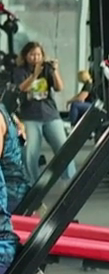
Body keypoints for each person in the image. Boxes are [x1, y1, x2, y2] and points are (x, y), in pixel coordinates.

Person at [11, 42, 72, 183]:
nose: (35, 58)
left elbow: (59, 87)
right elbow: (22, 88)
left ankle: (69, 179)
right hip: (30, 116)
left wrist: (55, 71)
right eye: (32, 54)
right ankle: (31, 183)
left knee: (63, 148)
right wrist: (34, 75)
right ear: (26, 56)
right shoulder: (20, 71)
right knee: (30, 153)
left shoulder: (47, 69)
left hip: (50, 114)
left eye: (38, 54)